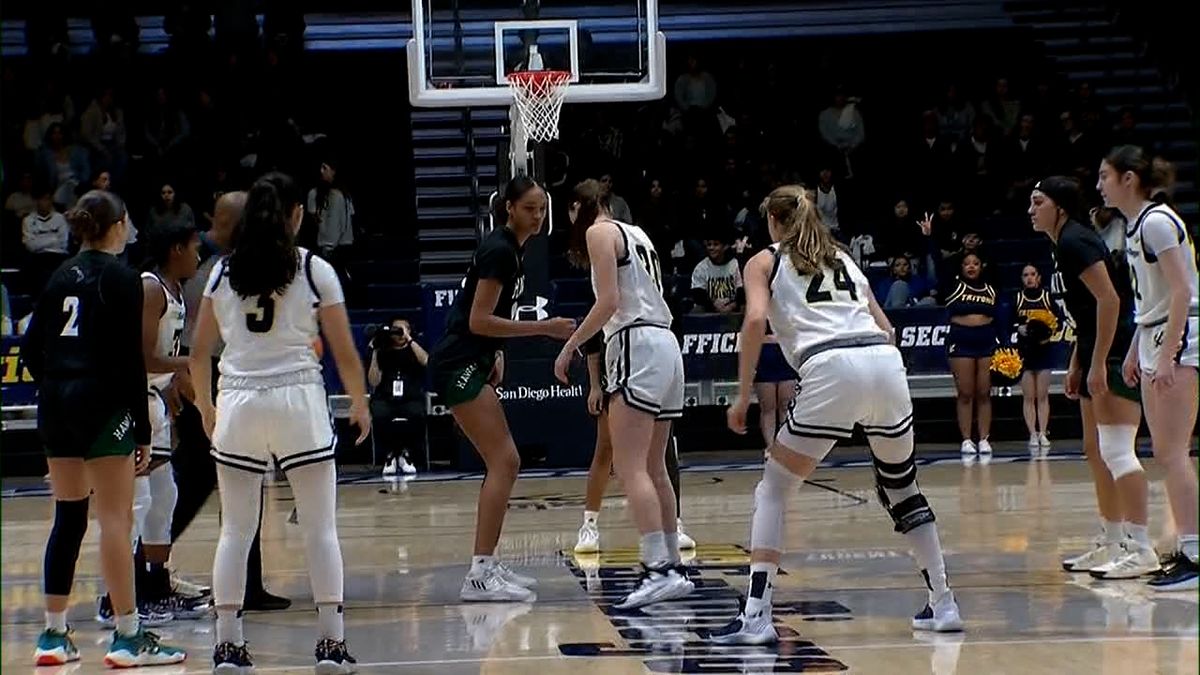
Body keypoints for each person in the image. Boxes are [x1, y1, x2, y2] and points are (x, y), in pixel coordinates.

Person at [710, 186, 961, 644]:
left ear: (773, 222)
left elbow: (752, 322)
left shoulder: (764, 261)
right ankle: (944, 602)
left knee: (774, 488)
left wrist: (743, 393)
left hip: (830, 367)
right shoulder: (844, 258)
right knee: (903, 488)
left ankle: (756, 616)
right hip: (883, 363)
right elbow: (886, 328)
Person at [190, 172, 370, 672]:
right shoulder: (315, 269)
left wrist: (205, 406)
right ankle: (331, 644)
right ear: (296, 215)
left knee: (236, 531)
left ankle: (228, 644)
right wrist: (360, 401)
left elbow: (199, 351)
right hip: (297, 400)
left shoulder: (222, 273)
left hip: (240, 401)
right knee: (320, 528)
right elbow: (344, 352)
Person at [24, 190, 186, 667]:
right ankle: (128, 635)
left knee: (68, 517)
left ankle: (53, 634)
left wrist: (59, 384)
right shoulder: (122, 277)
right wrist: (140, 428)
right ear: (116, 225)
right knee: (116, 519)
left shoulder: (57, 276)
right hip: (103, 405)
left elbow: (33, 351)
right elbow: (131, 362)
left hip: (57, 403)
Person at [429, 176, 575, 603]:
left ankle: (486, 565)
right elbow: (477, 320)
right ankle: (479, 574)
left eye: (543, 208)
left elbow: (489, 317)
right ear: (508, 207)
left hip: (473, 358)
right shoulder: (499, 250)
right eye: (530, 207)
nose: (538, 215)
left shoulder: (511, 248)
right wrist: (544, 329)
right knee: (505, 461)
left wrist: (497, 354)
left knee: (506, 461)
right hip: (456, 363)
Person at [555, 178, 694, 610]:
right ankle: (671, 564)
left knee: (629, 464)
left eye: (569, 212)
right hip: (667, 344)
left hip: (636, 342)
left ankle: (658, 569)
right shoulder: (638, 233)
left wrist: (570, 345)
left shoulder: (599, 231)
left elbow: (609, 302)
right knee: (655, 467)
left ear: (580, 205)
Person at [1028, 176, 1157, 579]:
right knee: (1094, 448)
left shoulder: (1075, 242)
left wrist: (1099, 361)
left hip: (1118, 351)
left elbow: (1110, 300)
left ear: (1059, 207)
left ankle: (1142, 548)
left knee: (1118, 450)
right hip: (1094, 349)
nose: (1030, 210)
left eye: (1037, 202)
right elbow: (1084, 313)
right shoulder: (1060, 243)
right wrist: (1077, 360)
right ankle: (1112, 539)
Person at [172, 191, 292, 611]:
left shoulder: (239, 271)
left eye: (220, 223)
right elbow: (191, 355)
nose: (210, 231)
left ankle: (248, 584)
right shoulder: (213, 276)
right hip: (211, 397)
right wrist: (204, 407)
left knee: (242, 491)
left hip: (233, 394)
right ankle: (141, 569)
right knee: (193, 487)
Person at [1101, 147, 1199, 590]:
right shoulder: (1135, 225)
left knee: (1174, 452)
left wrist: (1167, 353)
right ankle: (1186, 546)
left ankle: (1194, 554)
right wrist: (1135, 347)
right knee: (1165, 451)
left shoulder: (1158, 221)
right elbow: (1153, 298)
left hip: (1175, 337)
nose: (1100, 184)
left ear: (1128, 179)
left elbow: (1181, 291)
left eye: (1105, 176)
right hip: (1154, 333)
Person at [941, 252, 998, 457]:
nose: (971, 267)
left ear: (982, 266)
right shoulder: (954, 286)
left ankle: (984, 439)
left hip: (986, 340)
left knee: (984, 392)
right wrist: (930, 238)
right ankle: (966, 439)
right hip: (961, 339)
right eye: (967, 264)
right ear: (961, 267)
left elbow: (999, 317)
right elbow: (940, 264)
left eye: (976, 263)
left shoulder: (991, 289)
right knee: (965, 393)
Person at [368, 316, 427, 476]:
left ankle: (406, 455)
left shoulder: (414, 349)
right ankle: (390, 455)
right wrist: (375, 351)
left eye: (403, 329)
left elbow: (426, 361)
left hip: (410, 397)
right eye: (396, 330)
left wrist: (409, 340)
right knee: (380, 413)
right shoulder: (383, 351)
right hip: (386, 397)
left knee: (415, 413)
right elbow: (373, 381)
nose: (399, 334)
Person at [1013, 264, 1057, 451]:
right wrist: (1018, 328)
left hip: (1044, 351)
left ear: (1039, 277)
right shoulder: (1017, 298)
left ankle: (1043, 432)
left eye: (1033, 274)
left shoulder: (1047, 297)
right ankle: (1032, 432)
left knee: (1042, 395)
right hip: (1024, 352)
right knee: (1029, 396)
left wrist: (1047, 332)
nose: (1029, 278)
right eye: (1025, 275)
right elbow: (1008, 323)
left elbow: (1059, 321)